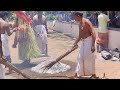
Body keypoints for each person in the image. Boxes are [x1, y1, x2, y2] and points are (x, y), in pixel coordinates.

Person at [67, 12, 96, 79]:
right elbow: (80, 36)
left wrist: (93, 45)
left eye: (74, 17)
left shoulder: (86, 22)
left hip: (89, 41)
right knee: (79, 58)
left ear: (78, 16)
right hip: (84, 42)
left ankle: (93, 74)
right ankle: (77, 73)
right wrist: (74, 43)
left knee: (89, 59)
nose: (74, 18)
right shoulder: (79, 23)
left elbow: (93, 33)